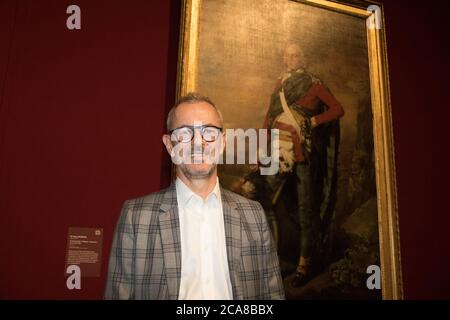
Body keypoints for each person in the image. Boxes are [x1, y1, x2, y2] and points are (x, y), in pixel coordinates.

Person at [104, 92, 285, 300]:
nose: (198, 143)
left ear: (222, 143)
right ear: (170, 145)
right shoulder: (136, 217)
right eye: (184, 134)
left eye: (208, 132)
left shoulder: (254, 215)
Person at [261, 43, 344, 287]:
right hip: (276, 150)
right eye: (287, 55)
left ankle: (304, 264)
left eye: (296, 55)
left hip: (303, 154)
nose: (291, 59)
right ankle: (276, 258)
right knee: (268, 201)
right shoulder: (279, 84)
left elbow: (338, 109)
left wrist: (313, 121)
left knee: (306, 208)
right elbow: (268, 116)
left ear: (303, 58)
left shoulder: (314, 83)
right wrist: (260, 152)